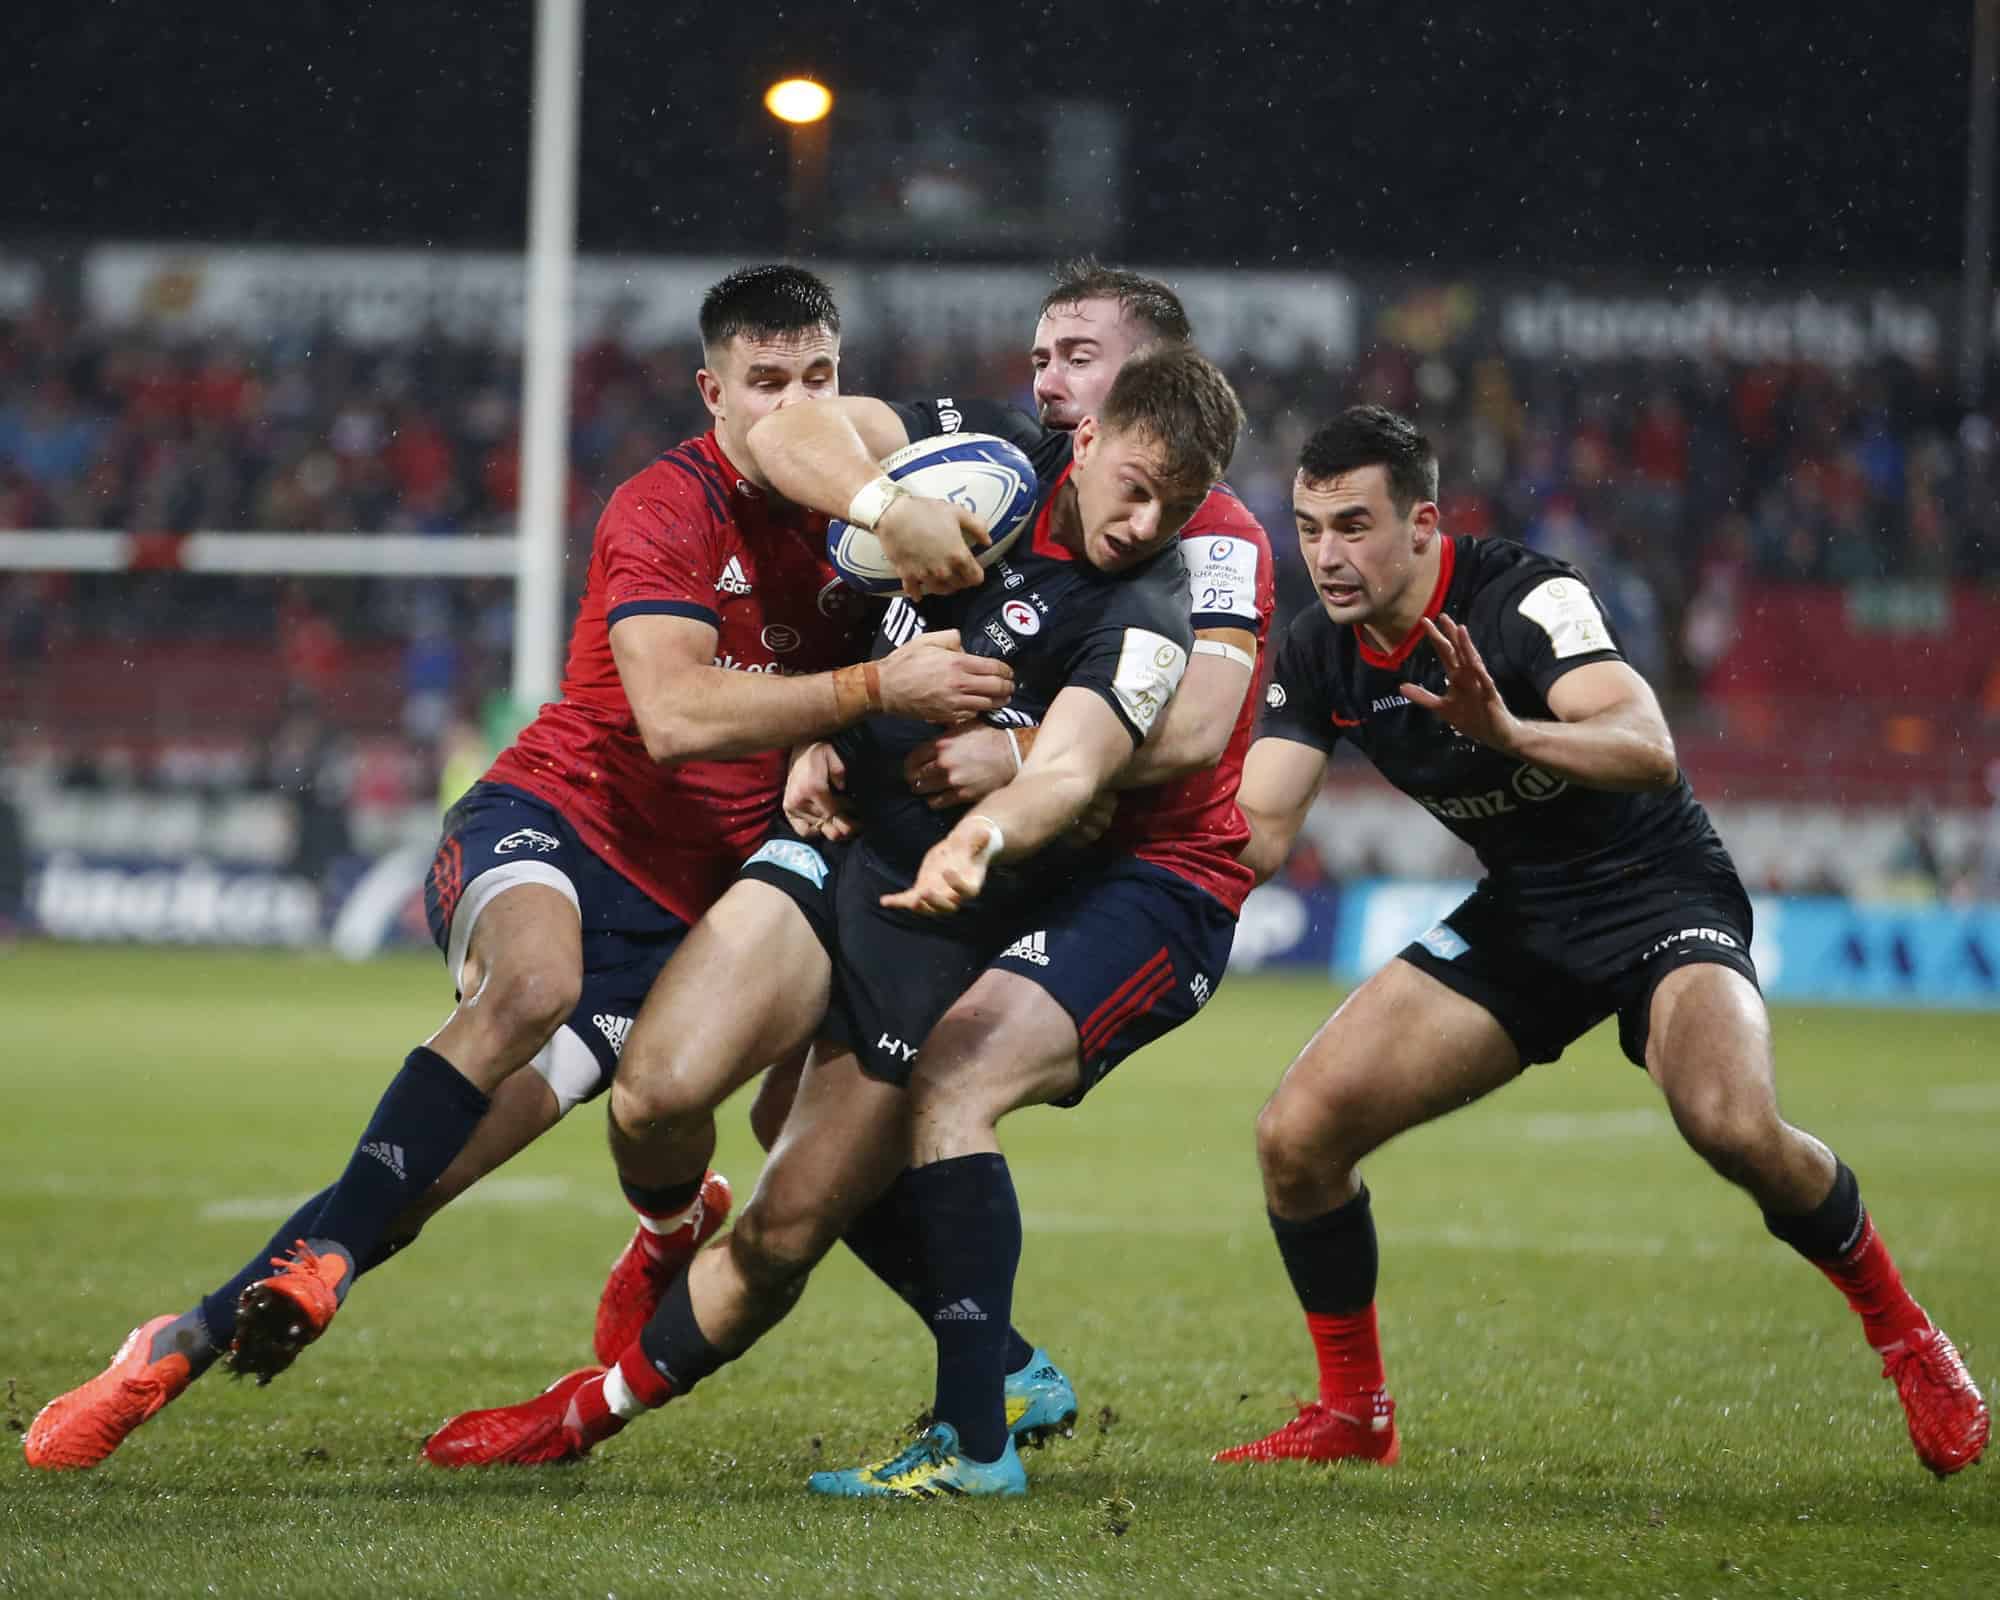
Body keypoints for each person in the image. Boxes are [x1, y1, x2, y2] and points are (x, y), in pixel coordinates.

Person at [23, 264, 1002, 1472]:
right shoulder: (665, 505)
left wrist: (844, 723)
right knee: (525, 992)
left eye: (817, 375)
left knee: (493, 1162)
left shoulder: (867, 512)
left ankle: (664, 1226)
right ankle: (178, 1350)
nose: (794, 402)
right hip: (559, 819)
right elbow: (675, 715)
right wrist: (859, 693)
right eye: (764, 382)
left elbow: (882, 510)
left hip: (692, 907)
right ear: (712, 393)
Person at [423, 346, 1249, 1501]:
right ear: (1094, 437)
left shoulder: (1150, 608)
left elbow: (1072, 768)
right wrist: (881, 521)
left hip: (933, 925)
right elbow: (785, 434)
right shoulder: (987, 462)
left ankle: (585, 1411)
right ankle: (680, 1235)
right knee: (655, 1092)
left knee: (783, 1230)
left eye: (1175, 503)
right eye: (1136, 481)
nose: (1143, 518)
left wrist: (986, 830)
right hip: (829, 846)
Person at [1211, 405, 1989, 1476]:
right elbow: (1253, 833)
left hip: (1657, 891)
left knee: (1729, 1123)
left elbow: (1645, 745)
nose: (1326, 555)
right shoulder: (1317, 649)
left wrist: (1509, 732)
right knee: (1293, 1139)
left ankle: (1904, 1331)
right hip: (1527, 910)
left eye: (1352, 524)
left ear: (1424, 522)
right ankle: (1353, 1414)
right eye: (1307, 527)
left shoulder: (1526, 597)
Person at [601, 260, 1276, 1450]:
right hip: (983, 843)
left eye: (1078, 355)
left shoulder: (1200, 537)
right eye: (1039, 356)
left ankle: (978, 1422)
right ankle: (1003, 1368)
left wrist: (1014, 758)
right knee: (779, 1127)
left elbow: (1189, 730)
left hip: (1128, 867)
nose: (1045, 377)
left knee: (942, 1092)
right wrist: (836, 694)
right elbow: (810, 454)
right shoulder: (1011, 460)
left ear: (1152, 378)